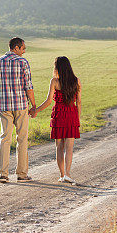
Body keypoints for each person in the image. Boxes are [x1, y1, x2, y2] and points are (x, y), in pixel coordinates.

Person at [0, 37, 37, 183]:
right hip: (21, 105)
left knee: (5, 138)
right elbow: (28, 85)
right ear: (16, 48)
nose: (24, 51)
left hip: (4, 106)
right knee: (22, 139)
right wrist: (34, 105)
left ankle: (3, 174)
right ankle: (22, 174)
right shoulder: (23, 62)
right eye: (23, 48)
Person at [34, 56, 81, 184]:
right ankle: (68, 174)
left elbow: (49, 101)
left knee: (59, 147)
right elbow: (79, 102)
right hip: (72, 115)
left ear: (57, 68)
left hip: (59, 115)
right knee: (69, 148)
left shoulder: (54, 81)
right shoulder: (76, 81)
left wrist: (36, 110)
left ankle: (61, 175)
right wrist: (78, 119)